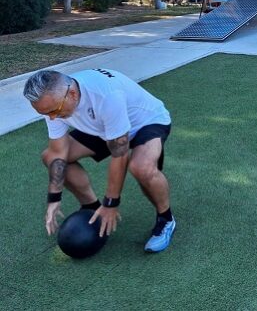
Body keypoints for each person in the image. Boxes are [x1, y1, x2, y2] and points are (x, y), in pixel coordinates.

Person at [23, 68, 176, 253]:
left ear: (72, 93)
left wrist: (111, 204)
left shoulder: (106, 96)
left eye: (54, 111)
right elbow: (57, 153)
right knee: (49, 156)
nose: (52, 117)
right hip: (104, 127)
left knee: (141, 167)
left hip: (146, 121)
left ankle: (166, 219)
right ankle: (91, 208)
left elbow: (119, 155)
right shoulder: (54, 102)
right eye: (45, 113)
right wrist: (54, 198)